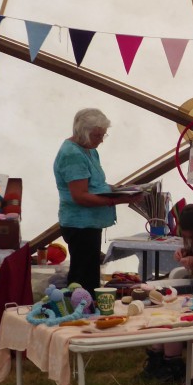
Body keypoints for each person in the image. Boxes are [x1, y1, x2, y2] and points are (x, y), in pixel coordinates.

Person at [53, 108, 142, 295]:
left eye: (103, 135)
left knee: (90, 274)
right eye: (97, 135)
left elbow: (95, 184)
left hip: (90, 223)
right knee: (83, 278)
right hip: (80, 225)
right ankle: (81, 312)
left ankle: (85, 309)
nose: (101, 140)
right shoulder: (72, 154)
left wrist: (118, 189)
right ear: (83, 133)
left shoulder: (89, 150)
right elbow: (80, 196)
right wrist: (119, 200)